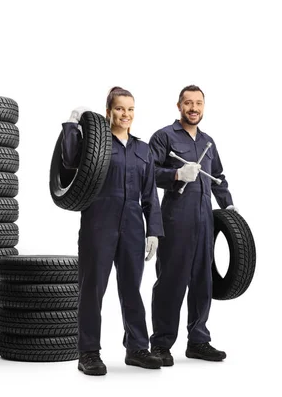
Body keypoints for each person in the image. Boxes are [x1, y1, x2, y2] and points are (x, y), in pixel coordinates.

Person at [61, 86, 164, 376]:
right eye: (120, 108)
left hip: (132, 224)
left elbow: (150, 195)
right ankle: (89, 353)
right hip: (99, 222)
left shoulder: (143, 150)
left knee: (132, 288)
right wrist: (72, 125)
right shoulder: (98, 144)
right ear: (108, 111)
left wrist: (153, 230)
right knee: (93, 289)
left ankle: (137, 348)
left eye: (130, 109)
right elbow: (69, 162)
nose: (126, 114)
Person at [148, 85, 239, 366]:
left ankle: (198, 341)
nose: (194, 108)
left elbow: (219, 177)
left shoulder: (208, 141)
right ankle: (161, 344)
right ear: (179, 106)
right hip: (175, 221)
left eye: (198, 103)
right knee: (171, 282)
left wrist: (228, 205)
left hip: (205, 221)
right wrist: (176, 173)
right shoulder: (164, 137)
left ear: (203, 107)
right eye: (188, 103)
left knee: (203, 281)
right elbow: (147, 173)